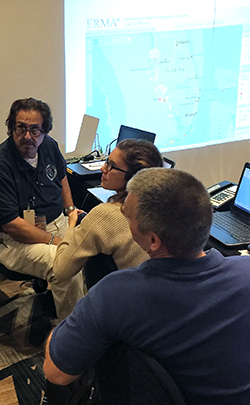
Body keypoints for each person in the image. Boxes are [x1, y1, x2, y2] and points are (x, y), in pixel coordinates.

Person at [44, 168, 250, 405]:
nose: (124, 218)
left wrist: (57, 334)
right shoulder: (245, 272)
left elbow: (56, 373)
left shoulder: (114, 294)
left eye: (127, 215)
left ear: (153, 241)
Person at [0, 97, 84, 320]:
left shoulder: (49, 146)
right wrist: (55, 241)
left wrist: (71, 211)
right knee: (66, 265)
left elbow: (63, 179)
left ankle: (92, 322)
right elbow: (12, 226)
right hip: (14, 240)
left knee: (98, 247)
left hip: (58, 223)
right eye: (21, 128)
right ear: (11, 129)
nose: (27, 136)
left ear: (44, 131)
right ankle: (72, 339)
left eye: (34, 130)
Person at [52, 139, 164, 284]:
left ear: (133, 177)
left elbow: (60, 271)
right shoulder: (164, 211)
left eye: (112, 166)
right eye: (107, 161)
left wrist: (71, 226)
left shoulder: (105, 215)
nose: (103, 168)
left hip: (122, 300)